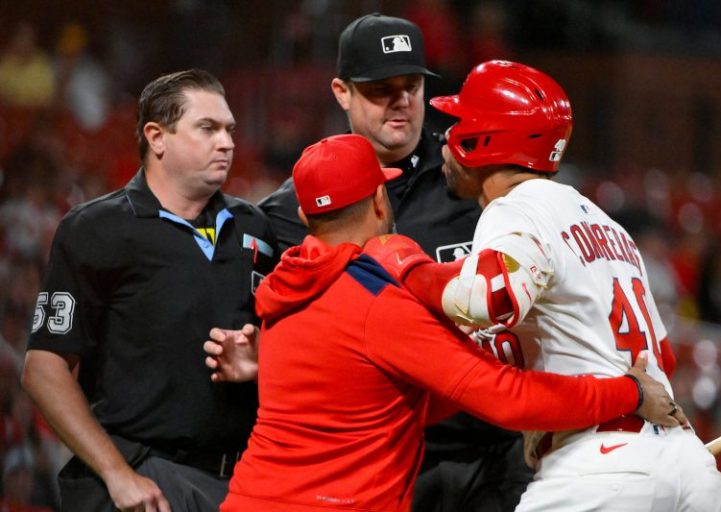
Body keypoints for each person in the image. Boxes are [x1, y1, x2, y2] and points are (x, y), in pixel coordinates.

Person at [213, 133, 684, 511]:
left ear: (303, 215)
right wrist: (630, 393)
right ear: (381, 199)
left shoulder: (287, 286)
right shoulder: (374, 302)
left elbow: (392, 403)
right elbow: (507, 399)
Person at [373, 60, 721, 510]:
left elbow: (489, 297)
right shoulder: (608, 224)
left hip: (599, 466)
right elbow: (664, 355)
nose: (446, 137)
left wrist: (408, 268)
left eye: (460, 123)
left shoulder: (515, 209)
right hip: (685, 464)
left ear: (486, 140)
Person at [257, 13, 533, 512]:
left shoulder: (475, 183)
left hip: (496, 451)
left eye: (411, 85)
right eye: (381, 89)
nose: (402, 101)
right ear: (341, 92)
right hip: (378, 463)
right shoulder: (289, 213)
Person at [21, 69, 278, 512]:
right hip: (145, 479)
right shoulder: (96, 229)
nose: (228, 142)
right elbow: (44, 368)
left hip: (242, 480)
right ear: (157, 137)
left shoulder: (255, 227)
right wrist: (118, 474)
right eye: (208, 128)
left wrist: (265, 358)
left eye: (230, 129)